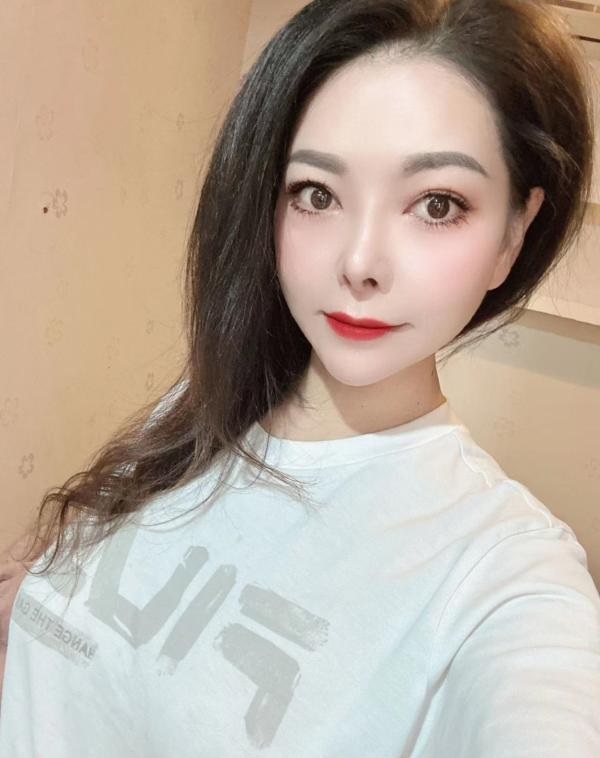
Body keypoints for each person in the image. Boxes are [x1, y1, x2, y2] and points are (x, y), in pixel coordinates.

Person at [1, 0, 599, 755]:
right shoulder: (201, 407)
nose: (359, 262)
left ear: (515, 231)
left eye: (437, 204)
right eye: (317, 194)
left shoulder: (504, 576)